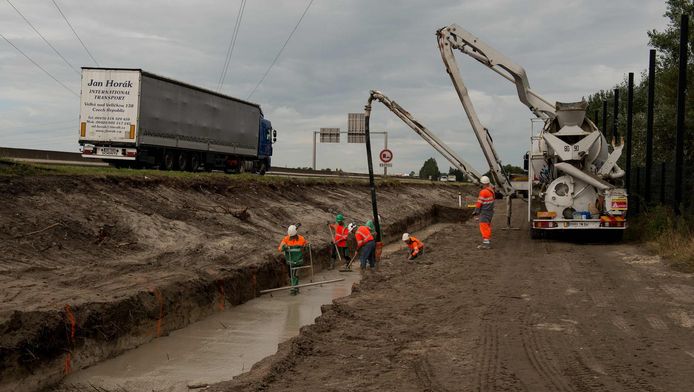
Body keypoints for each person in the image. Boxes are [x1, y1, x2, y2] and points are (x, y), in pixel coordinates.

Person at [277, 224, 308, 295]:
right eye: (291, 237)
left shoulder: (301, 239)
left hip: (298, 261)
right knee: (291, 275)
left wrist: (305, 247)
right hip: (290, 261)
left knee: (294, 274)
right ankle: (295, 287)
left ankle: (293, 289)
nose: (292, 238)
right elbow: (280, 249)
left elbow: (306, 246)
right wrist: (284, 247)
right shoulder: (286, 239)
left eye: (293, 237)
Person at [472, 175, 495, 249]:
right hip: (490, 212)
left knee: (484, 227)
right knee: (487, 226)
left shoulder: (483, 192)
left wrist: (476, 211)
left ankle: (486, 244)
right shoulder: (491, 190)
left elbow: (479, 203)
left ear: (484, 184)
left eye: (481, 183)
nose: (481, 185)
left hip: (485, 212)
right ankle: (486, 242)